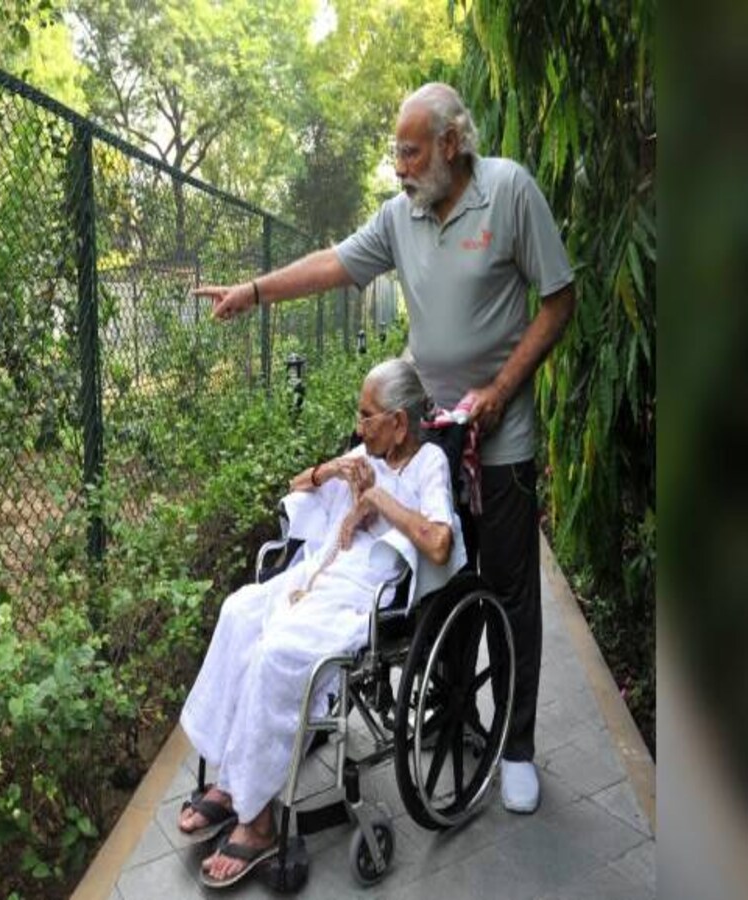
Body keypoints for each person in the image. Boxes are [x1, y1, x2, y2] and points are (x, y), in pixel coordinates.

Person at [193, 82, 574, 817]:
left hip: (501, 437)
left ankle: (517, 744)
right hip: (433, 434)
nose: (398, 166)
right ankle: (457, 715)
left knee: (509, 590)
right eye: (396, 152)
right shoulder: (401, 218)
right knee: (442, 583)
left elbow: (559, 301)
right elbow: (333, 264)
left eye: (409, 150)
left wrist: (498, 392)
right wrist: (254, 291)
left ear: (451, 143)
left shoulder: (509, 193)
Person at [178, 358, 465, 889]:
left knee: (273, 653)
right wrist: (331, 471)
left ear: (399, 422)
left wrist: (381, 501)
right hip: (319, 571)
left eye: (367, 416)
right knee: (239, 611)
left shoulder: (428, 465)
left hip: (362, 595)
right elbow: (297, 484)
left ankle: (259, 822)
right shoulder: (363, 454)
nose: (359, 427)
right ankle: (228, 780)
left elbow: (440, 542)